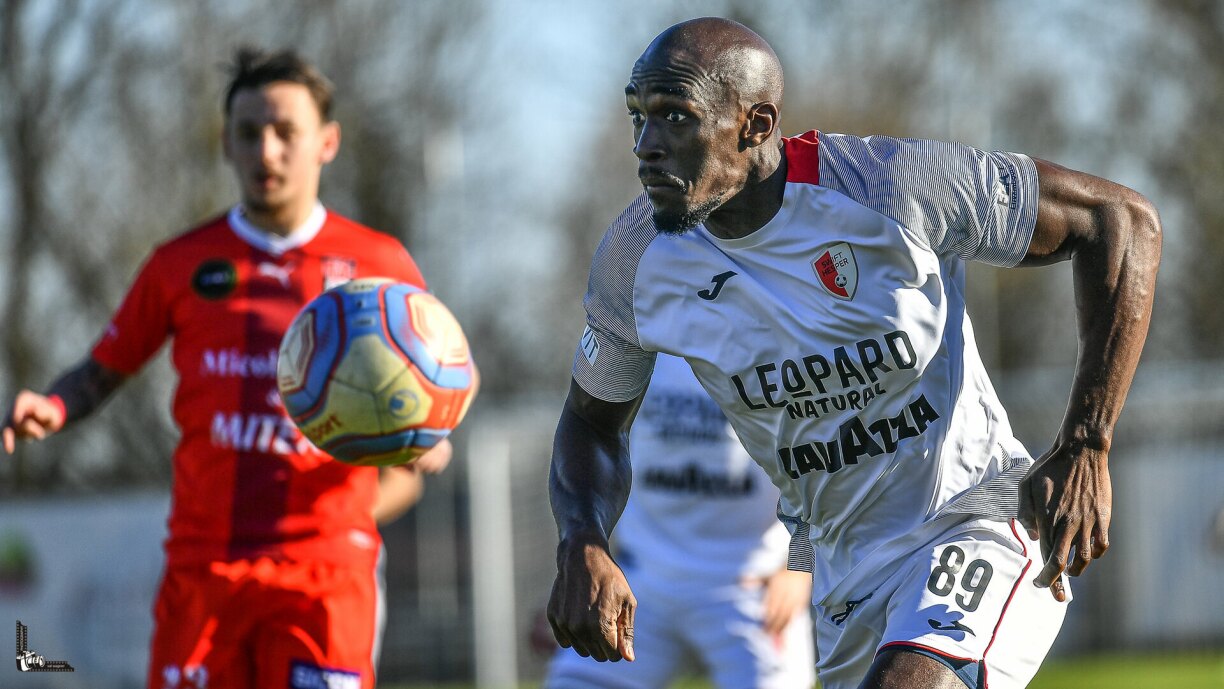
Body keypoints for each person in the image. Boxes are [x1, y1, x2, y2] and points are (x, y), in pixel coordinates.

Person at [547, 17, 1161, 689]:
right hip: (843, 575)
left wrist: (1087, 442)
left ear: (755, 125)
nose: (645, 147)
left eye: (675, 119)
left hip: (973, 522)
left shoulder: (894, 189)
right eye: (638, 117)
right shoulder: (637, 261)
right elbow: (591, 422)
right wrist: (584, 536)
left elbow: (1122, 223)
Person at [2, 47, 451, 689]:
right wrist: (56, 406)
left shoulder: (379, 267)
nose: (266, 151)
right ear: (226, 144)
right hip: (204, 570)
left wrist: (428, 438)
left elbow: (444, 377)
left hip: (324, 574)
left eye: (284, 132)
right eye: (248, 133)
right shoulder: (181, 263)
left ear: (327, 142)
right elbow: (102, 368)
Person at [540, 353, 815, 689]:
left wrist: (800, 568)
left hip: (751, 585)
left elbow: (823, 467)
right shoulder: (640, 334)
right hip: (642, 579)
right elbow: (591, 437)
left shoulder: (774, 339)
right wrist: (576, 576)